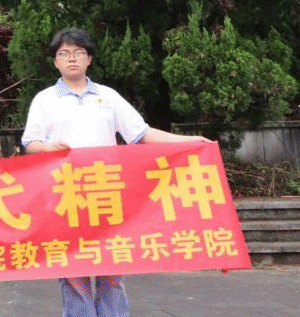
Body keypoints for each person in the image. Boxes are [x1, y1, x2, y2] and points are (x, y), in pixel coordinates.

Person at [22, 28, 211, 317]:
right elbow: (30, 143)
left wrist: (189, 141)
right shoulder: (44, 100)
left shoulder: (108, 96)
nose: (72, 58)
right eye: (64, 53)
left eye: (79, 52)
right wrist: (46, 147)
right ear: (55, 61)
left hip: (106, 195)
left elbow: (141, 134)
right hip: (65, 197)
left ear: (89, 59)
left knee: (112, 268)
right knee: (73, 271)